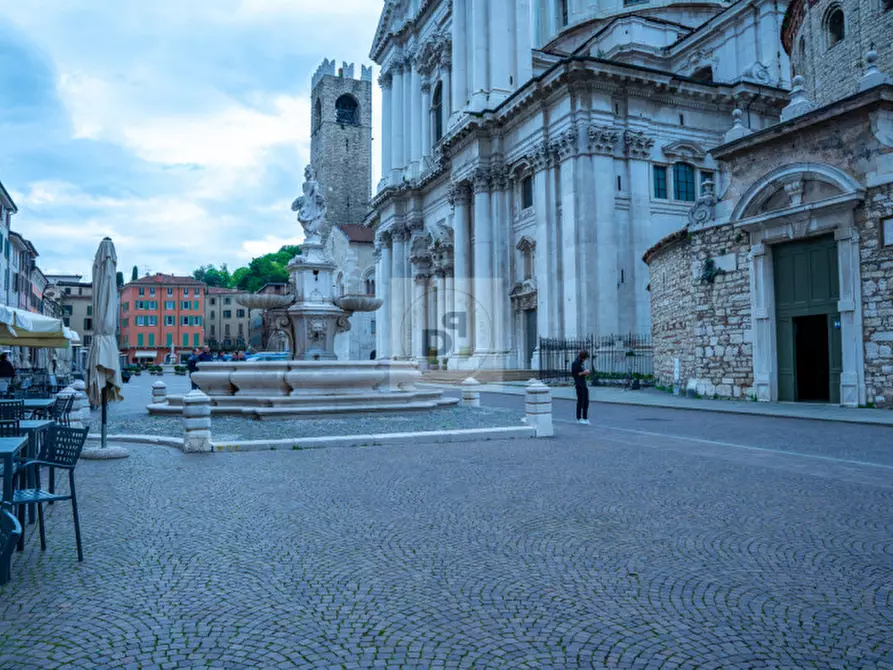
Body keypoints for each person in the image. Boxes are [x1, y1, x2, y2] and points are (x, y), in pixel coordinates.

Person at [571, 350, 591, 425]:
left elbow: (581, 373)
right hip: (579, 385)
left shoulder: (581, 363)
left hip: (584, 384)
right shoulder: (575, 363)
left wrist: (585, 373)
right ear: (582, 357)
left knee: (586, 402)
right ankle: (579, 418)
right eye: (585, 358)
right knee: (580, 402)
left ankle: (585, 418)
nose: (585, 360)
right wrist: (584, 372)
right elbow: (574, 374)